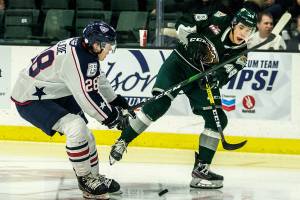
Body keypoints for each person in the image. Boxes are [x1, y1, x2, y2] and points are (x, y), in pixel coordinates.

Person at [109, 8, 257, 189]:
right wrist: (191, 39)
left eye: (249, 30)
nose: (244, 33)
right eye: (241, 27)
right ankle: (123, 141)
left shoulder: (241, 56)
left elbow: (225, 74)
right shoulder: (219, 19)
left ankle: (201, 169)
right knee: (158, 105)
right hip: (178, 64)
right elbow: (185, 19)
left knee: (217, 119)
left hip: (200, 80)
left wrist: (215, 77)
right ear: (234, 23)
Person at [11, 21, 131, 199]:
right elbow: (87, 98)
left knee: (84, 133)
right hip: (30, 97)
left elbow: (97, 77)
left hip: (51, 91)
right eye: (108, 45)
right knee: (76, 128)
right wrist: (112, 117)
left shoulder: (85, 50)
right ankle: (85, 180)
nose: (110, 49)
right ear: (96, 44)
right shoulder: (77, 59)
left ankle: (94, 178)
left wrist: (115, 100)